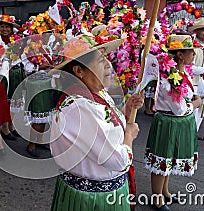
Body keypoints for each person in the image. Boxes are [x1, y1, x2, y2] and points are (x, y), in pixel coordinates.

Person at [50, 33, 143, 210]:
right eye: (101, 61)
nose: (109, 66)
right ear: (79, 71)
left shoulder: (96, 93)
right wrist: (129, 135)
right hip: (93, 201)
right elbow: (118, 160)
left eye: (106, 59)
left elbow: (106, 127)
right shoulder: (81, 108)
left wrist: (127, 111)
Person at [144, 35, 202, 211]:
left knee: (170, 159)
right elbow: (179, 108)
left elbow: (190, 95)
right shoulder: (168, 79)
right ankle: (156, 198)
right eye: (191, 51)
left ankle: (164, 192)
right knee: (162, 159)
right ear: (180, 55)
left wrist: (192, 101)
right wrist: (195, 104)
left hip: (179, 123)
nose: (194, 54)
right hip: (169, 122)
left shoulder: (184, 73)